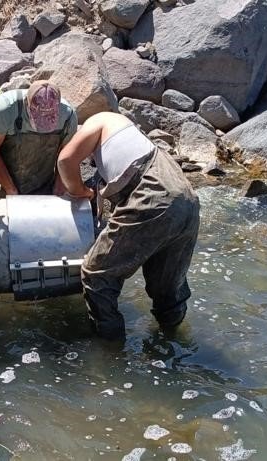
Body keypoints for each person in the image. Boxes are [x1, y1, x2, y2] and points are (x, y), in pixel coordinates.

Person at [56, 112, 201, 340]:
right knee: (167, 287)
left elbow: (65, 160)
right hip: (186, 197)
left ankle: (112, 352)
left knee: (97, 274)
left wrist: (79, 191)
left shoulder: (99, 119)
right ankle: (175, 339)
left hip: (153, 193)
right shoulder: (130, 137)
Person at [0, 81, 78, 195]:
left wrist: (59, 189)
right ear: (27, 104)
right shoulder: (3, 112)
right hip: (2, 175)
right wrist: (10, 189)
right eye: (38, 119)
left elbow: (66, 157)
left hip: (42, 180)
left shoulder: (68, 117)